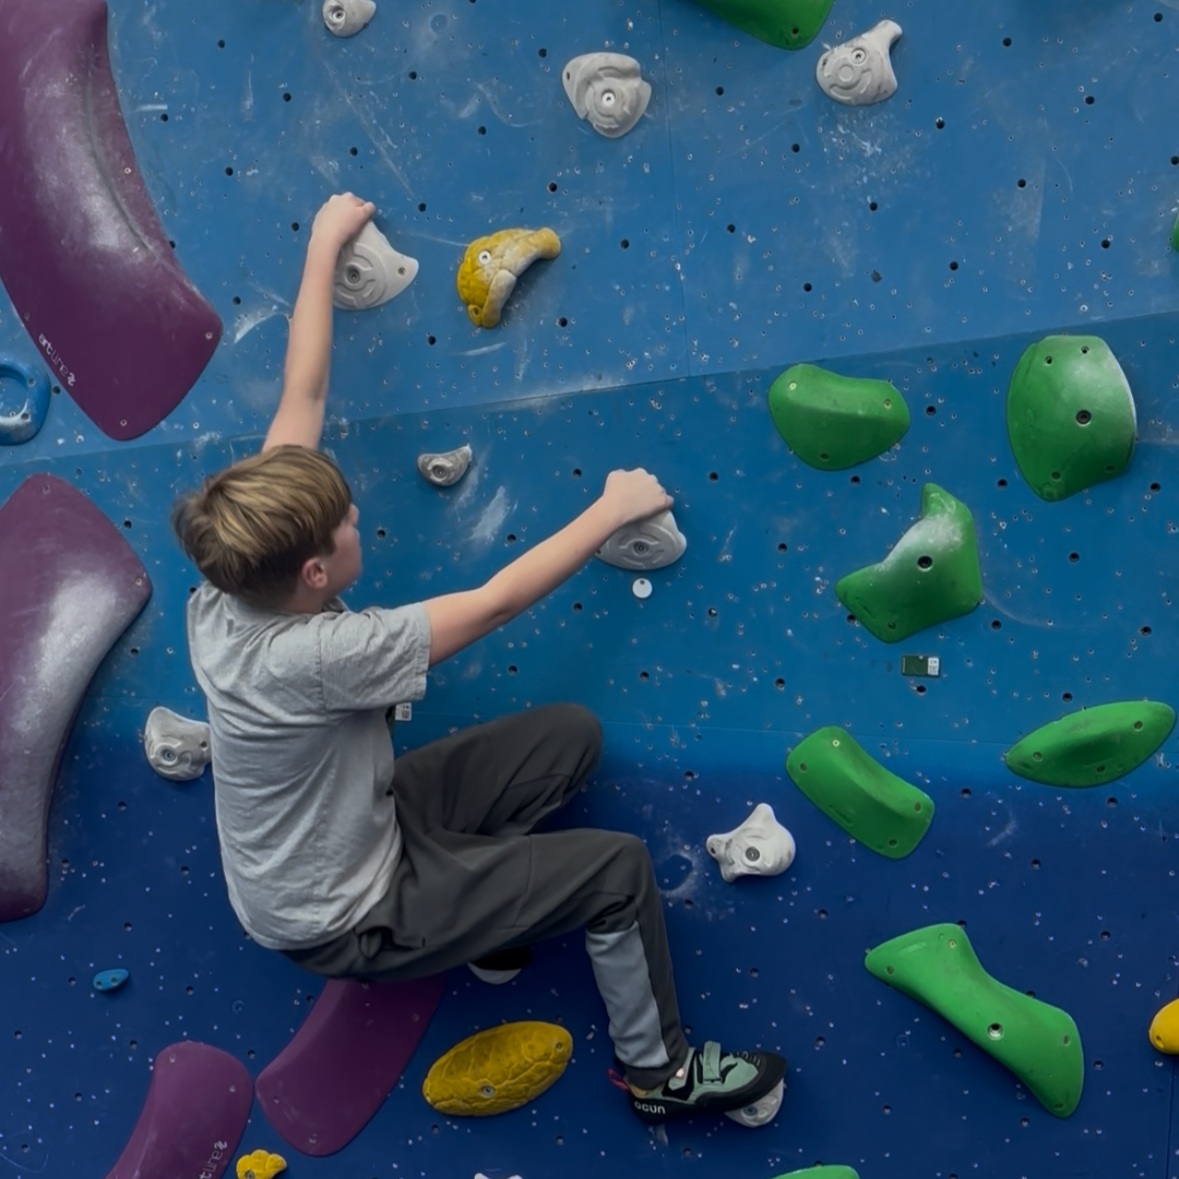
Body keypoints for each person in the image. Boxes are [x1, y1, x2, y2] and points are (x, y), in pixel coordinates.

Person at [172, 193, 785, 1124]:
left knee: (566, 739)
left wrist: (323, 248)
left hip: (353, 827)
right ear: (311, 573)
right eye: (344, 525)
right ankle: (658, 1074)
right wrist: (610, 509)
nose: (356, 516)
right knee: (616, 870)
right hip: (350, 912)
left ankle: (488, 924)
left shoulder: (231, 579)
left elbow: (302, 400)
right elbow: (495, 601)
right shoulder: (318, 653)